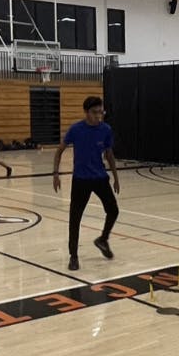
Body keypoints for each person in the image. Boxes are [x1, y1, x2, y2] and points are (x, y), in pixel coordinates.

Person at [52, 96, 120, 271]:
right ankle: (73, 256)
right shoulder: (76, 130)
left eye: (100, 112)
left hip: (100, 178)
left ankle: (103, 239)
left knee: (113, 210)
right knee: (75, 218)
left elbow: (109, 154)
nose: (98, 116)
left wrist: (115, 177)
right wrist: (56, 174)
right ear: (86, 113)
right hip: (81, 180)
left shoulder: (105, 129)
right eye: (94, 112)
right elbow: (59, 151)